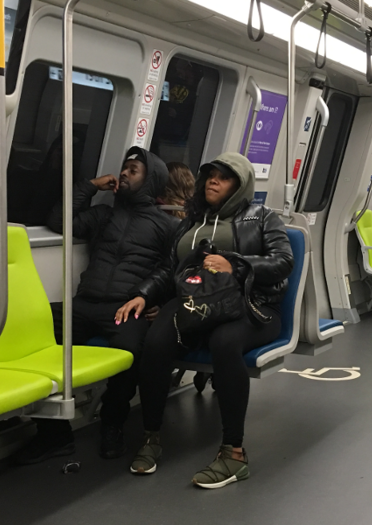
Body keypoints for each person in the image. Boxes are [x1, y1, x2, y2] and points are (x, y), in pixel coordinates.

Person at [120, 152, 293, 489]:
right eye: (210, 175)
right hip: (195, 302)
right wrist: (144, 293)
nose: (214, 180)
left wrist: (237, 265)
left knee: (224, 342)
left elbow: (283, 261)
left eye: (224, 176)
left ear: (240, 186)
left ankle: (234, 453)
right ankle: (151, 436)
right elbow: (171, 270)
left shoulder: (262, 218)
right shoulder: (191, 222)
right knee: (155, 340)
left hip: (250, 304)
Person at [13, 147, 179, 465]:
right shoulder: (105, 215)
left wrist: (155, 300)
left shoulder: (166, 226)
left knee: (130, 352)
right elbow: (59, 221)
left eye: (134, 169)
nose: (125, 173)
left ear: (151, 179)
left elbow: (172, 271)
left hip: (125, 308)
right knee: (35, 330)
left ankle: (112, 423)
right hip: (85, 303)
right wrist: (90, 186)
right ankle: (53, 434)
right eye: (124, 168)